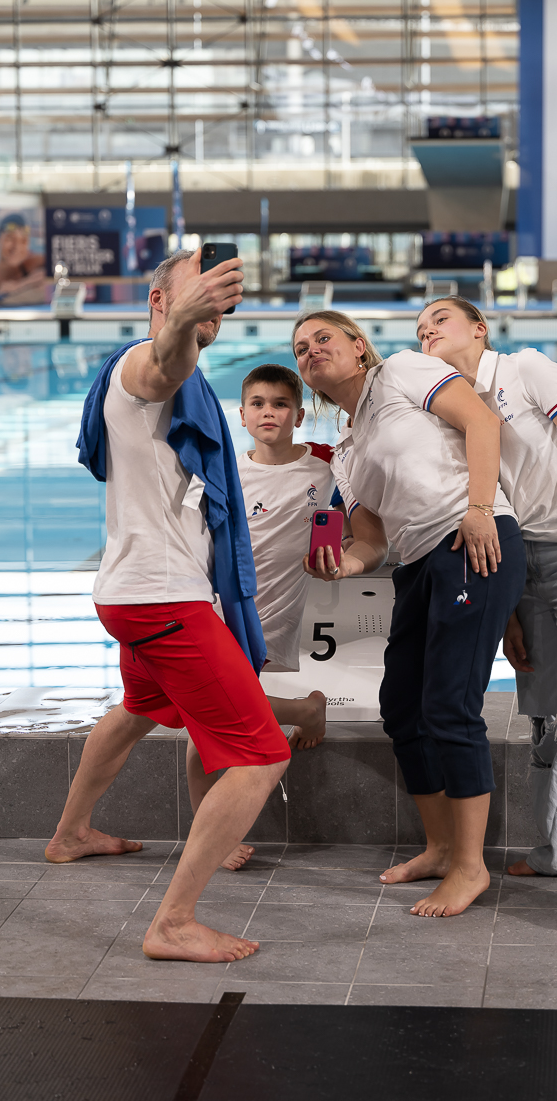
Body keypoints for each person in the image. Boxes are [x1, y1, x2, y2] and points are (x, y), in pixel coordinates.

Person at [44, 248, 292, 963]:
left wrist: (191, 311)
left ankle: (69, 834)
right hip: (161, 599)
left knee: (139, 710)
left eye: (223, 298)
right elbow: (167, 359)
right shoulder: (142, 373)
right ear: (160, 303)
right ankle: (175, 921)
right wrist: (184, 314)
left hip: (133, 591)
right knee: (259, 756)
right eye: (198, 292)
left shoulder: (177, 381)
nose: (216, 304)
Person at [293, 310, 526, 918]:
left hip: (474, 537)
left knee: (450, 704)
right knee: (402, 705)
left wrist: (478, 505)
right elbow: (371, 537)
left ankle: (472, 869)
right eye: (300, 348)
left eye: (323, 338)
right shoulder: (347, 445)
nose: (311, 350)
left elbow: (481, 420)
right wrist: (341, 567)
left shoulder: (402, 371)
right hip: (419, 563)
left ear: (357, 346)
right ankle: (442, 846)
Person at [418, 295, 557, 933]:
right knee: (541, 712)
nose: (427, 332)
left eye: (440, 321)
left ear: (479, 330)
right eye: (419, 328)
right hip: (517, 566)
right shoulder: (448, 404)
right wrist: (505, 609)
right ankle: (552, 849)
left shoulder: (526, 368)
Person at [185, 363, 332, 870]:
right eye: (259, 404)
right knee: (206, 722)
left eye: (281, 404)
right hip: (218, 609)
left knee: (213, 715)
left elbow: (353, 522)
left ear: (299, 414)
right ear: (242, 415)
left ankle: (210, 834)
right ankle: (305, 711)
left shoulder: (324, 468)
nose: (269, 412)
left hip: (274, 609)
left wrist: (341, 552)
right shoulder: (225, 471)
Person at [0, 212, 45, 296]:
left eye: (23, 241)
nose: (17, 247)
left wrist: (18, 285)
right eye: (10, 239)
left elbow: (55, 265)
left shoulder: (29, 264)